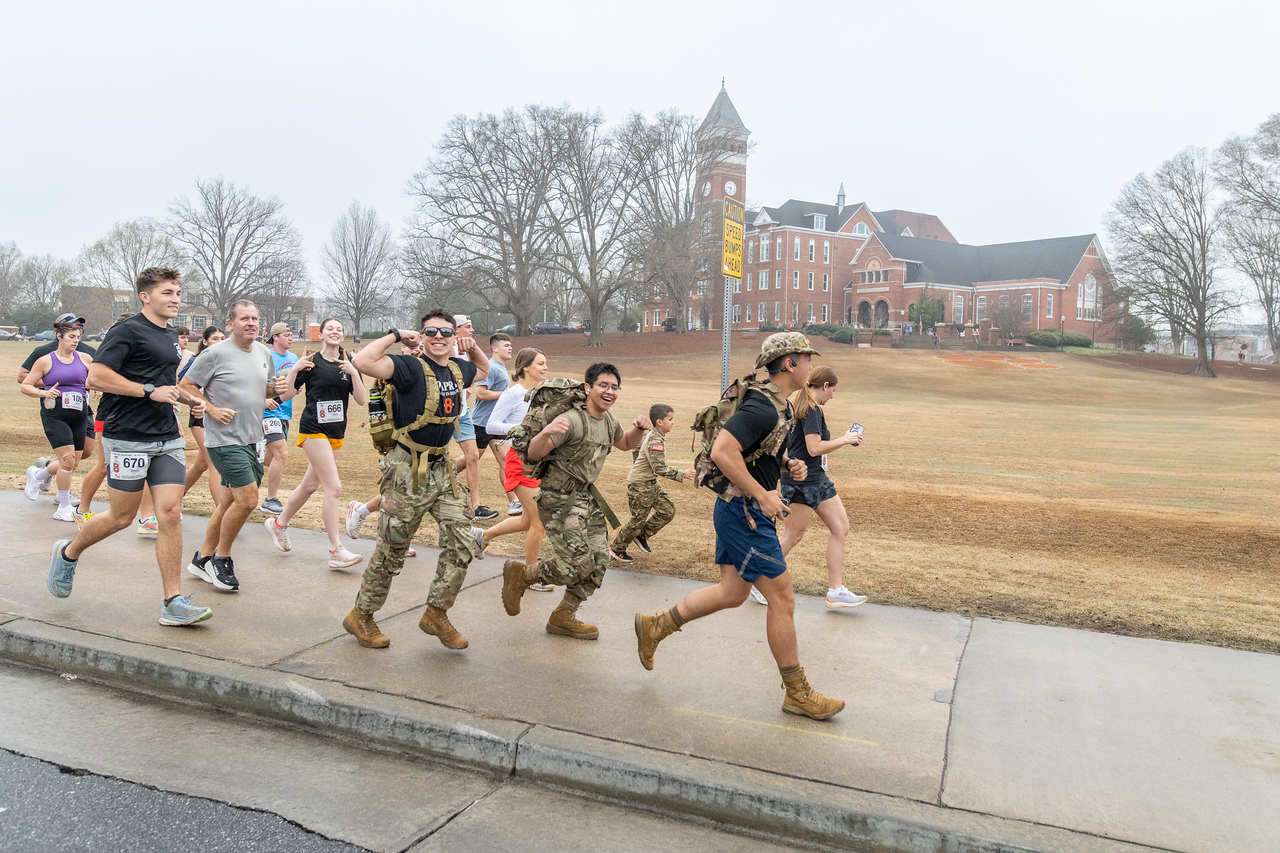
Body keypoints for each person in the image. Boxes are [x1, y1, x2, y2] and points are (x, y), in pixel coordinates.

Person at [633, 333, 846, 721]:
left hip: (738, 509)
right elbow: (722, 451)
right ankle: (797, 693)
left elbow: (755, 453)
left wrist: (787, 466)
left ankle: (655, 627)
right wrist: (762, 495)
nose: (811, 367)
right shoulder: (763, 407)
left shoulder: (777, 407)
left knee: (731, 592)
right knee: (782, 598)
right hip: (745, 512)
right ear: (789, 364)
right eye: (806, 359)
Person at [45, 267, 214, 627]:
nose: (176, 299)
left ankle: (173, 601)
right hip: (128, 437)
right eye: (168, 292)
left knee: (169, 513)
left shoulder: (169, 335)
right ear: (145, 296)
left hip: (166, 437)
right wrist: (148, 391)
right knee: (121, 517)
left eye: (178, 293)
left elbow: (163, 381)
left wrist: (186, 398)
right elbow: (98, 376)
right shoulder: (127, 330)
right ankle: (69, 552)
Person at [342, 310, 489, 651]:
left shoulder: (457, 367)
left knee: (463, 541)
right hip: (407, 469)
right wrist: (396, 334)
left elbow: (483, 370)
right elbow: (364, 360)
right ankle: (361, 615)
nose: (438, 337)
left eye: (446, 332)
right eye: (431, 332)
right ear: (421, 336)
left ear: (454, 337)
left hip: (442, 471)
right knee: (392, 549)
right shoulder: (408, 367)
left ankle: (436, 613)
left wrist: (473, 346)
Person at [499, 362, 649, 640]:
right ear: (588, 388)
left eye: (615, 387)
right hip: (558, 500)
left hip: (586, 499)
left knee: (600, 560)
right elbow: (533, 452)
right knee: (578, 564)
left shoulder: (608, 420)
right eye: (603, 385)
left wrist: (639, 429)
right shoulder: (572, 420)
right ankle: (524, 575)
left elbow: (625, 443)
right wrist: (546, 431)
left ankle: (563, 615)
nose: (609, 391)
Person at [180, 301, 280, 592]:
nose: (250, 323)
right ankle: (221, 559)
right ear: (231, 322)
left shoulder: (263, 352)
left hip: (252, 438)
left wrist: (280, 390)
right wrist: (210, 409)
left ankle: (202, 559)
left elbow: (267, 389)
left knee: (228, 503)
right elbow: (185, 386)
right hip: (223, 439)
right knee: (248, 501)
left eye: (255, 318)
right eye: (244, 318)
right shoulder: (215, 353)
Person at [750, 366, 866, 609]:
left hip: (818, 480)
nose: (833, 395)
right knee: (792, 536)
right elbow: (814, 448)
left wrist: (841, 438)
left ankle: (836, 591)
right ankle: (760, 582)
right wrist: (845, 440)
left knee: (840, 528)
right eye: (833, 389)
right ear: (824, 386)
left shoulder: (804, 406)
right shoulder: (810, 409)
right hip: (802, 483)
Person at [264, 318, 367, 568]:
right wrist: (295, 370)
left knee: (309, 486)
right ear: (321, 334)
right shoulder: (311, 362)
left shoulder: (349, 363)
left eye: (339, 329)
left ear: (343, 335)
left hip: (336, 433)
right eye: (330, 328)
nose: (335, 332)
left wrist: (354, 373)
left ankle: (278, 524)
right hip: (313, 430)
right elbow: (286, 394)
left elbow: (362, 400)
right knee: (334, 488)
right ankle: (336, 550)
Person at [475, 347, 554, 592]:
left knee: (526, 520)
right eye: (541, 363)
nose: (545, 367)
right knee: (539, 523)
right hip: (518, 462)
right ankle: (530, 575)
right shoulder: (513, 393)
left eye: (545, 363)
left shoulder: (542, 393)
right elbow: (491, 425)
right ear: (525, 367)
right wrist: (521, 429)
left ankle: (482, 537)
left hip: (538, 463)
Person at [18, 312, 98, 505]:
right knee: (68, 459)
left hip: (81, 409)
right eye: (72, 331)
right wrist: (48, 390)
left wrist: (96, 386)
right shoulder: (44, 354)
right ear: (59, 332)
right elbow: (23, 379)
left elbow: (96, 377)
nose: (76, 338)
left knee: (83, 453)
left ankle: (42, 471)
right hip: (56, 410)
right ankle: (64, 499)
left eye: (78, 332)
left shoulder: (86, 353)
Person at [608, 403, 695, 562]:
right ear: (659, 422)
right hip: (640, 485)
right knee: (637, 520)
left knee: (667, 510)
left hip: (649, 482)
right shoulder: (655, 439)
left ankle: (641, 536)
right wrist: (683, 474)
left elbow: (636, 450)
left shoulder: (656, 435)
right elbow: (660, 468)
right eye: (670, 419)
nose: (673, 422)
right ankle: (617, 548)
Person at [75, 313, 137, 527]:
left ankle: (148, 517)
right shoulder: (113, 351)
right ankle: (82, 510)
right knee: (103, 465)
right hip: (110, 414)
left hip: (135, 416)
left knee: (144, 468)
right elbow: (95, 379)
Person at [449, 315, 496, 520]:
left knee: (473, 456)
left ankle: (474, 507)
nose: (472, 330)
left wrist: (464, 389)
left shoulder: (465, 352)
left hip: (461, 413)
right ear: (456, 330)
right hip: (440, 415)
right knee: (428, 462)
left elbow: (479, 371)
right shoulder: (444, 349)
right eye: (468, 327)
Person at [469, 332, 517, 517]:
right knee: (469, 461)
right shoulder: (490, 367)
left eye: (510, 345)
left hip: (496, 424)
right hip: (481, 423)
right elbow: (481, 394)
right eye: (506, 345)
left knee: (506, 460)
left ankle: (513, 502)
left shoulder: (501, 368)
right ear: (494, 348)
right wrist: (506, 393)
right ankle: (440, 473)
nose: (510, 348)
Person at [180, 326, 227, 512]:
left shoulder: (227, 361)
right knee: (215, 464)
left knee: (200, 465)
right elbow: (178, 383)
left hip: (220, 416)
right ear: (205, 342)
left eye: (223, 338)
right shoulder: (197, 360)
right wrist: (195, 396)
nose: (220, 342)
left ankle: (173, 497)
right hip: (200, 417)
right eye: (215, 338)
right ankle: (221, 513)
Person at [259, 322, 299, 515]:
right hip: (267, 413)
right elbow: (255, 382)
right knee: (281, 454)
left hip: (284, 413)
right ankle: (270, 499)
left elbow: (292, 386)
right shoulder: (265, 355)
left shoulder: (293, 358)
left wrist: (296, 389)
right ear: (275, 337)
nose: (290, 338)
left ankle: (249, 458)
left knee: (270, 458)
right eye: (286, 335)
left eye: (291, 335)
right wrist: (264, 400)